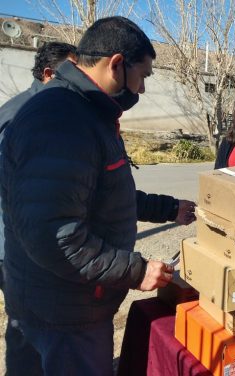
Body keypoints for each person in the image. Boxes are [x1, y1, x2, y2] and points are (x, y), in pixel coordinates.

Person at [0, 16, 182, 375]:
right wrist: (136, 270)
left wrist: (169, 208)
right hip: (67, 311)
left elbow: (105, 195)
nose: (142, 89)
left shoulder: (81, 111)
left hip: (50, 298)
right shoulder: (63, 118)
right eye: (143, 75)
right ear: (116, 63)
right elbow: (56, 237)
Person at [0, 41, 77, 376]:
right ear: (48, 74)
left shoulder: (47, 111)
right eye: (73, 75)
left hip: (32, 245)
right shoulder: (24, 117)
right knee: (26, 332)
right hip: (21, 248)